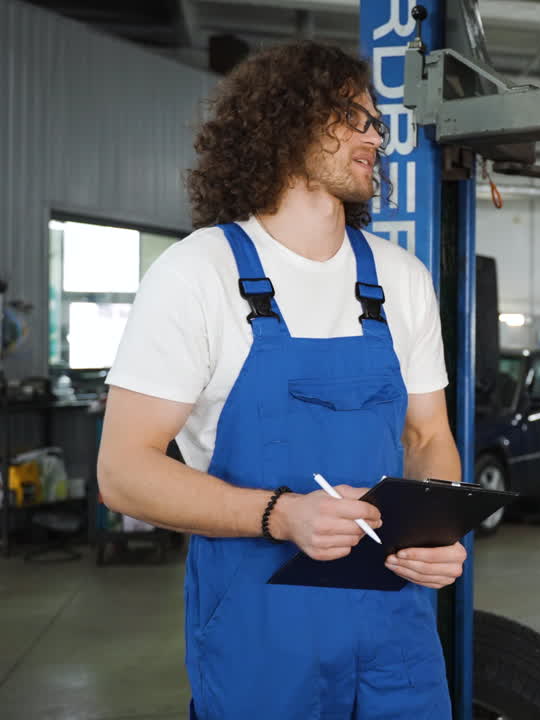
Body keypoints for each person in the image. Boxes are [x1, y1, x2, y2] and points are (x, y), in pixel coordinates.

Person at [97, 41, 464, 719]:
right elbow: (122, 472)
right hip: (263, 640)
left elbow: (428, 434)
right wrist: (283, 514)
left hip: (395, 633)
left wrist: (437, 532)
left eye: (376, 122)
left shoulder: (399, 277)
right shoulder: (197, 274)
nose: (376, 137)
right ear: (288, 122)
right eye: (354, 116)